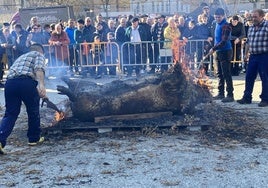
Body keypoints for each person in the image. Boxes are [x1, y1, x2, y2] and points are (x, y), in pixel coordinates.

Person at [0, 43, 47, 155]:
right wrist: (41, 85)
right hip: (26, 82)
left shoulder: (20, 58)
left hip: (10, 83)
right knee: (33, 111)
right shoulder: (38, 55)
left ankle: (0, 139)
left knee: (10, 113)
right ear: (41, 51)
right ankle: (34, 138)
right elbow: (39, 69)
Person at [237, 9, 268, 107]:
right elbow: (248, 42)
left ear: (262, 16)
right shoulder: (251, 27)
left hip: (264, 55)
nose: (253, 19)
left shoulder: (266, 26)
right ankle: (247, 97)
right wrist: (246, 54)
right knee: (249, 76)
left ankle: (265, 99)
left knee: (265, 78)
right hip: (253, 56)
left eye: (256, 17)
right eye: (252, 17)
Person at [208, 8, 234, 103]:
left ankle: (230, 94)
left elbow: (224, 41)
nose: (217, 18)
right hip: (218, 52)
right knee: (219, 73)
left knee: (226, 73)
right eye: (216, 17)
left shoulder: (226, 26)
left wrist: (214, 48)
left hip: (225, 51)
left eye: (219, 17)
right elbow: (217, 38)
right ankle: (221, 93)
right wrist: (214, 48)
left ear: (223, 16)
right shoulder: (216, 24)